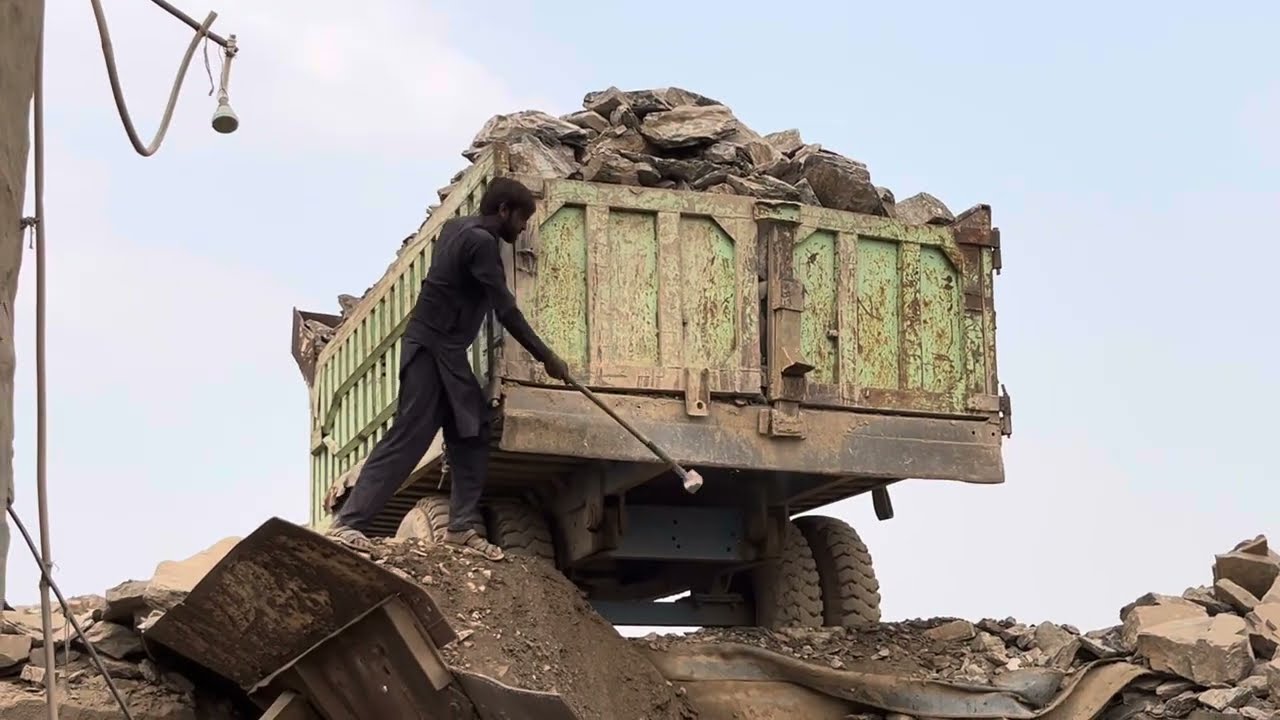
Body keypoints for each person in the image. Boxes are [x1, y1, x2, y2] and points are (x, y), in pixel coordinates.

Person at [326, 178, 569, 560]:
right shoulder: (480, 243)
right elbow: (505, 310)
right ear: (504, 210)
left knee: (471, 432)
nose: (524, 229)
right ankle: (348, 525)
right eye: (523, 218)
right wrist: (548, 358)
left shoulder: (457, 229)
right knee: (410, 436)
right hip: (429, 349)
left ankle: (460, 527)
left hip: (446, 353)